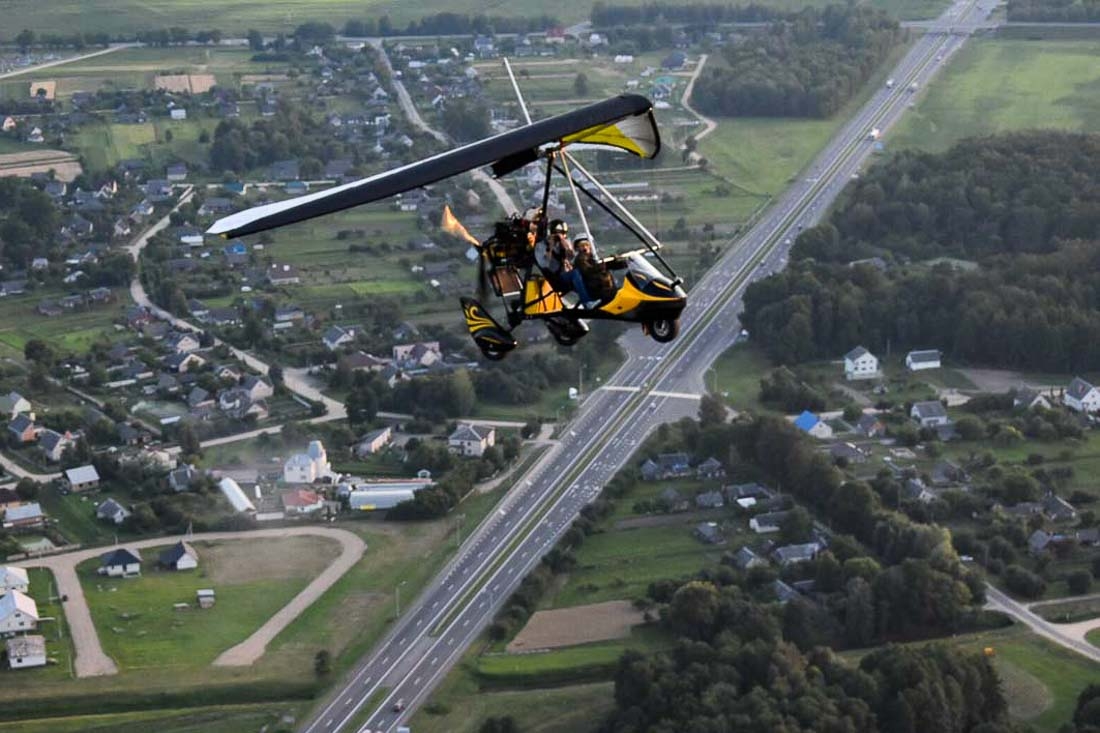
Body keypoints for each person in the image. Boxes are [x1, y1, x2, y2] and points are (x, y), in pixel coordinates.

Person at [573, 237, 614, 307]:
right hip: (593, 289)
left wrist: (615, 260)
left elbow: (605, 265)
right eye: (582, 246)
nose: (585, 248)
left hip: (605, 288)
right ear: (578, 248)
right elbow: (587, 270)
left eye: (587, 245)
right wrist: (599, 267)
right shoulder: (580, 259)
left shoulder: (594, 257)